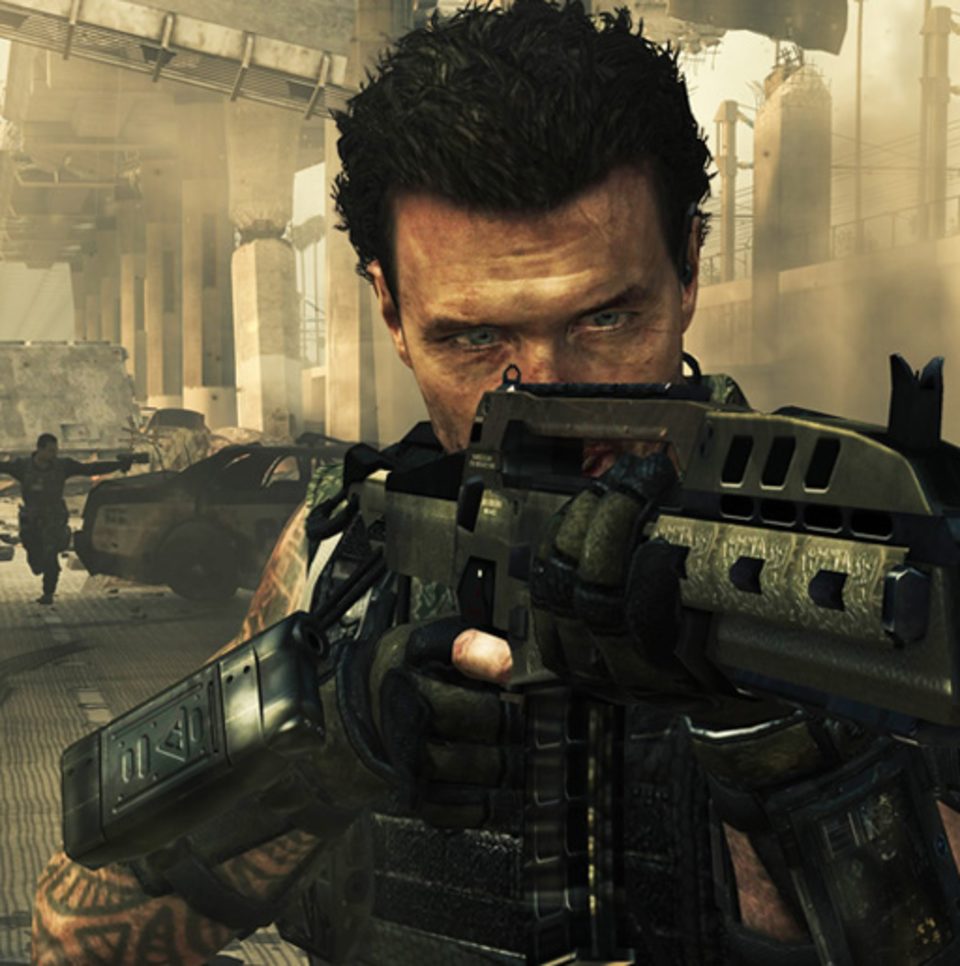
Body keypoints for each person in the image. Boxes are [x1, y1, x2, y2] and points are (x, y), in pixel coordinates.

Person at [32, 3, 960, 964]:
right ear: (391, 310)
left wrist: (785, 755)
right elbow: (76, 935)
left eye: (605, 321)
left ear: (689, 267)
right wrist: (334, 747)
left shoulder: (865, 552)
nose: (546, 402)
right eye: (475, 338)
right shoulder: (353, 557)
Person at [0, 433, 133, 604]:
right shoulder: (23, 466)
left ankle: (48, 593)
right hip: (31, 520)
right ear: (39, 449)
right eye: (50, 451)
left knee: (50, 555)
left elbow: (89, 469)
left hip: (53, 519)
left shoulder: (62, 466)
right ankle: (40, 566)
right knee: (36, 562)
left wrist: (118, 465)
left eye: (55, 451)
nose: (54, 455)